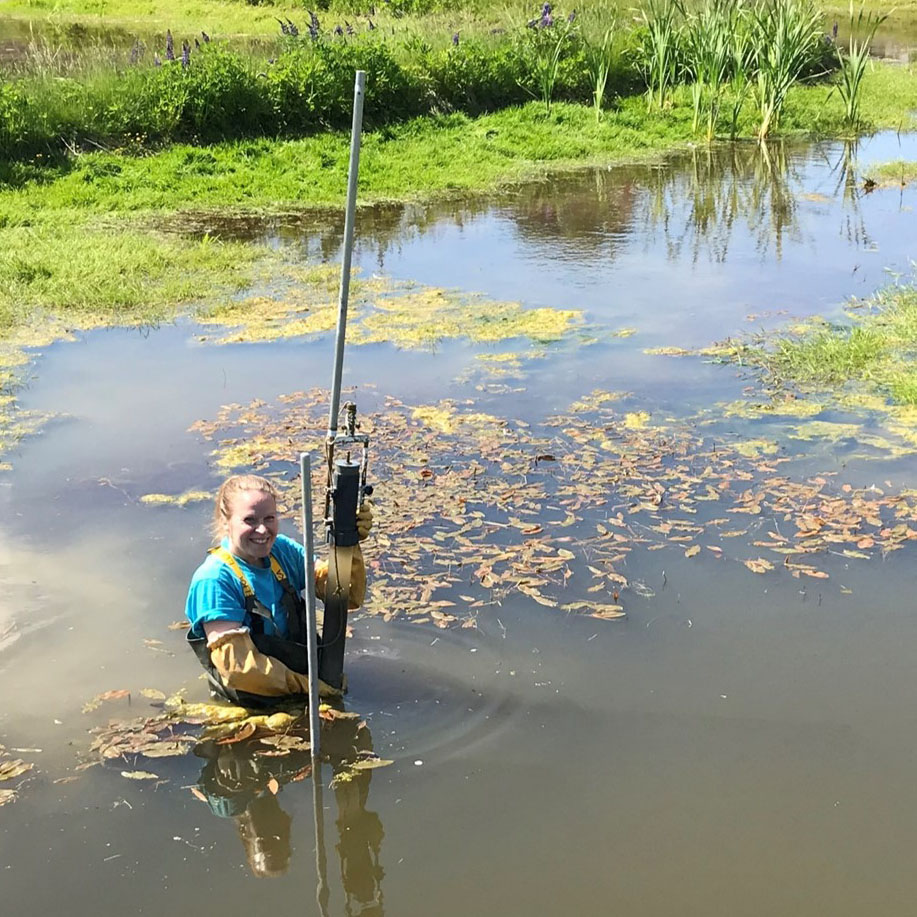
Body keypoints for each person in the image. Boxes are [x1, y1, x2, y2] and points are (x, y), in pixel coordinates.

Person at [185, 473, 372, 705]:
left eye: (269, 518)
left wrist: (348, 544)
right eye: (250, 520)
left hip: (305, 688)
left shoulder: (281, 551)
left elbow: (345, 596)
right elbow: (238, 669)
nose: (262, 530)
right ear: (226, 521)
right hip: (253, 705)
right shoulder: (214, 579)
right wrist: (306, 686)